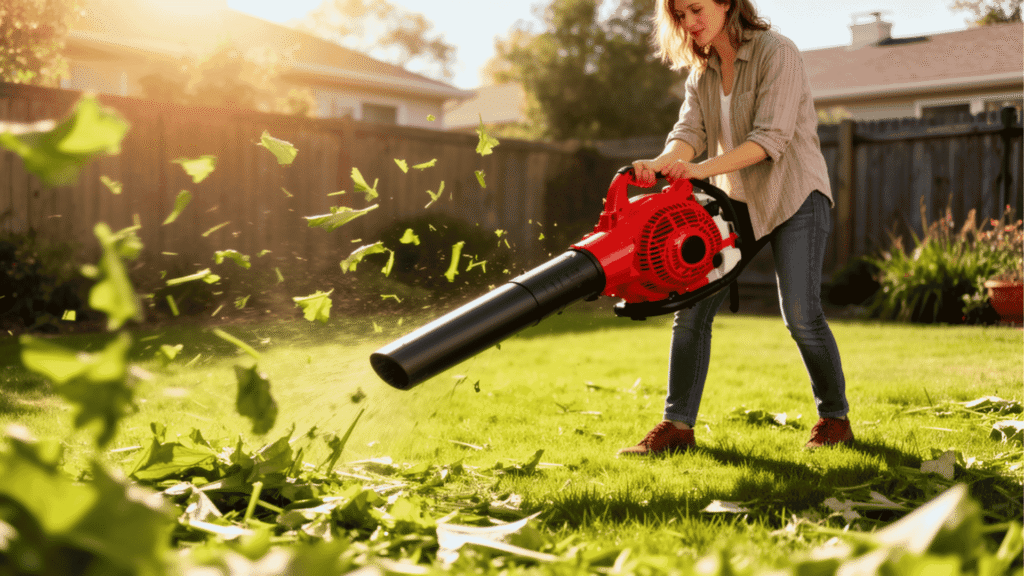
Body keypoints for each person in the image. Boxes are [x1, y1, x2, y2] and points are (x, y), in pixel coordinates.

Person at [618, 0, 853, 455]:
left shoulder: (777, 52)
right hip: (736, 201)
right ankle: (677, 428)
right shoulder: (702, 73)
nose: (689, 23)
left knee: (801, 315)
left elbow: (770, 139)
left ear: (726, 2)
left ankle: (834, 420)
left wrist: (700, 171)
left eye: (696, 9)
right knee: (692, 309)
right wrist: (659, 163)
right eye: (680, 16)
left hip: (795, 195)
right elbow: (688, 135)